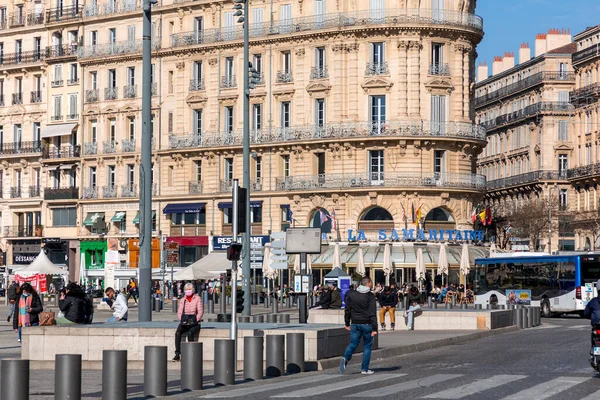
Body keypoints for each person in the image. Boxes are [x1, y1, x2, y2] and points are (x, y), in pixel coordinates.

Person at [340, 276, 378, 375]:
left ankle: (345, 357)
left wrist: (347, 323)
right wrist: (375, 328)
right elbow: (372, 312)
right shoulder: (370, 296)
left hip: (355, 323)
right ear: (368, 283)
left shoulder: (352, 294)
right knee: (367, 346)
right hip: (367, 323)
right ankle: (364, 369)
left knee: (353, 343)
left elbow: (347, 310)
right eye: (371, 282)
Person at [173, 283, 204, 362]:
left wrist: (195, 320)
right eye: (186, 289)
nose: (188, 291)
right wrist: (182, 320)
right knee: (177, 333)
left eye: (189, 289)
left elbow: (200, 312)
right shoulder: (183, 300)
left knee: (190, 333)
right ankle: (177, 354)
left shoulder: (197, 298)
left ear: (193, 290)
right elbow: (179, 312)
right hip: (184, 321)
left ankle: (190, 354)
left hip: (195, 322)